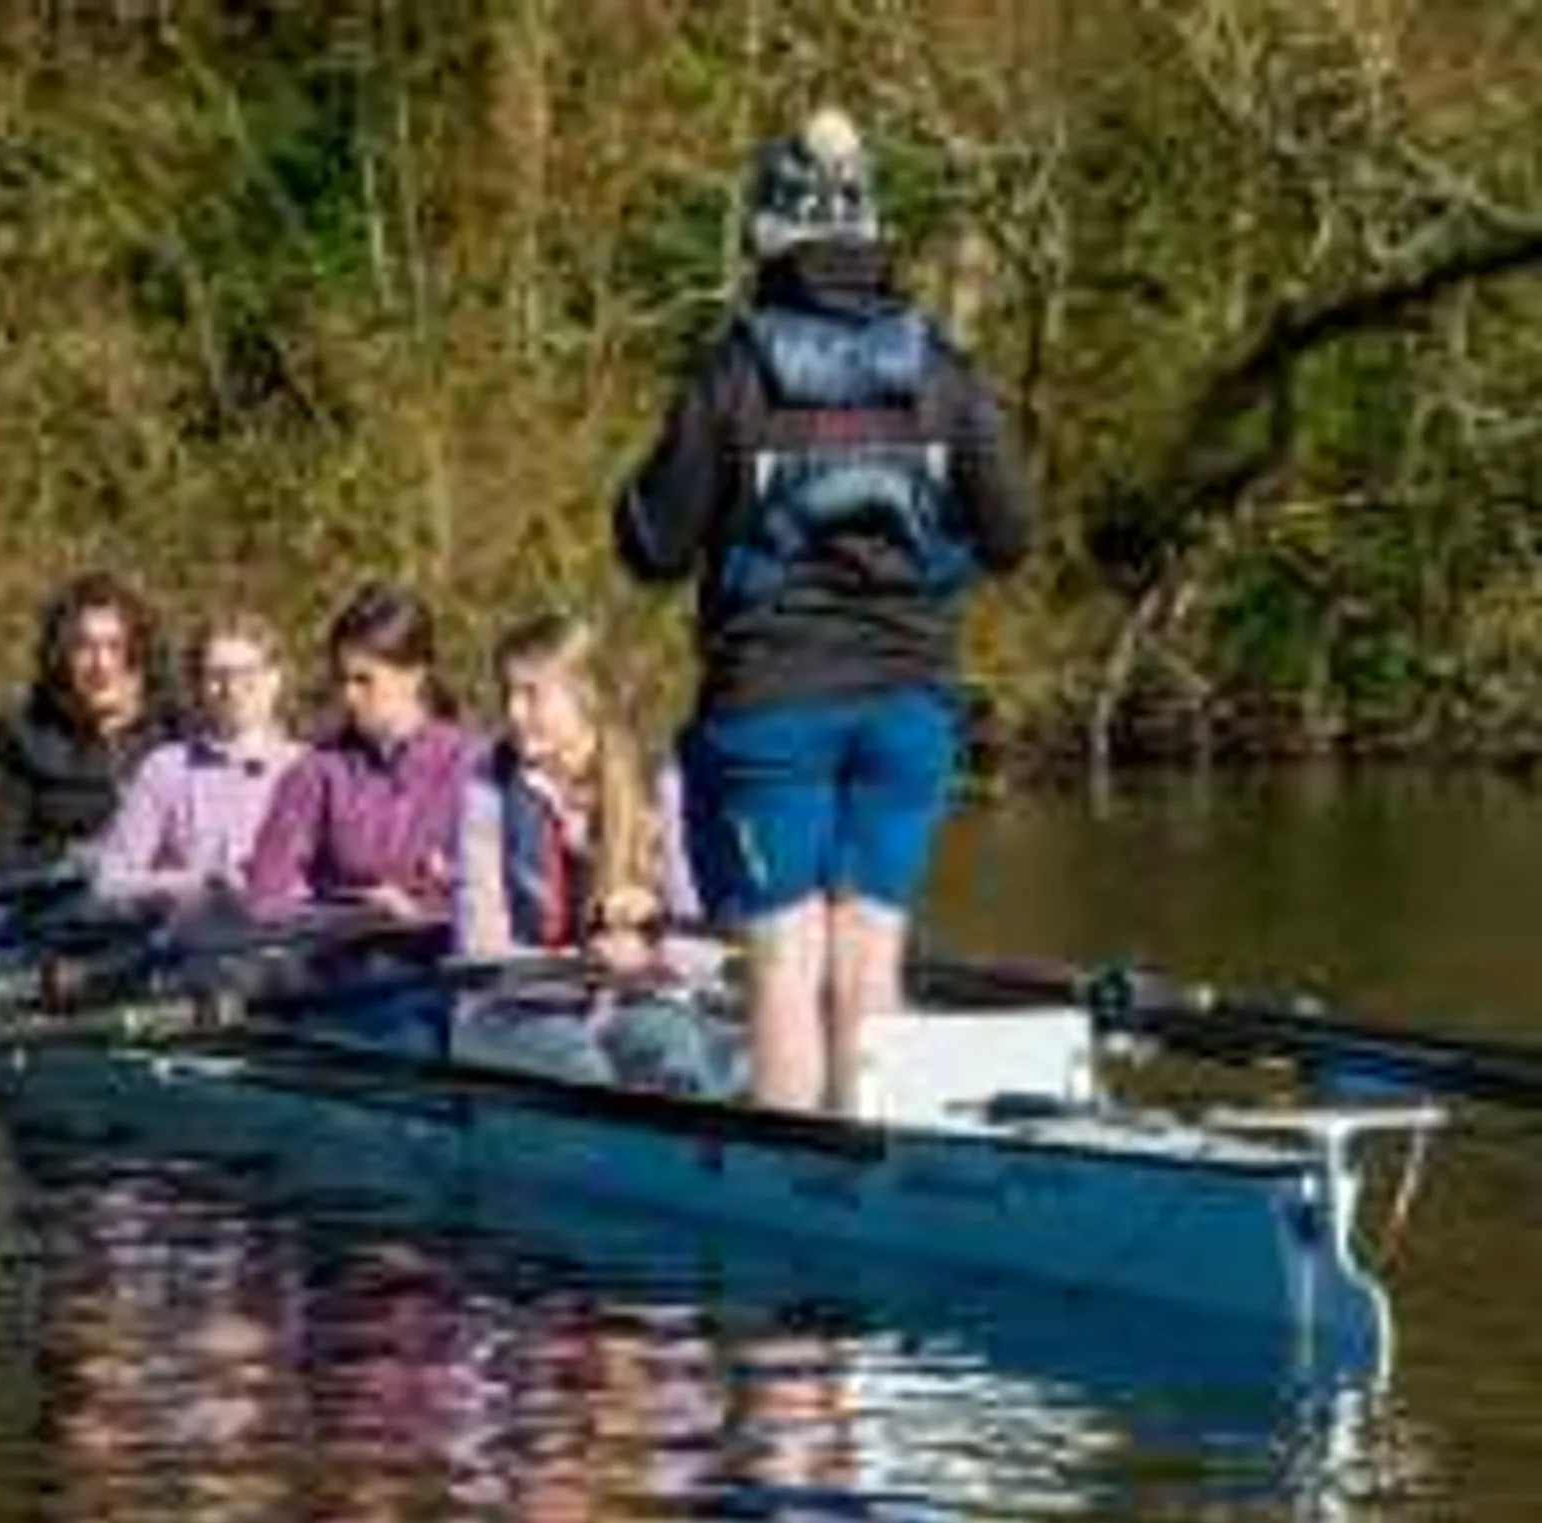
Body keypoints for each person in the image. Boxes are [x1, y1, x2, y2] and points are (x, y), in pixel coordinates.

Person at [612, 109, 1033, 1115]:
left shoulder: (731, 373)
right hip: (908, 704)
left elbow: (650, 547)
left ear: (768, 232)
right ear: (869, 230)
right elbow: (1010, 534)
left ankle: (796, 1196)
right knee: (867, 951)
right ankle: (871, 1186)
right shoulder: (943, 369)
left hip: (770, 707)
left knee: (784, 959)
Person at [452, 612, 732, 1095]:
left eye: (532, 694)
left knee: (674, 1056)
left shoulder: (659, 784)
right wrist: (587, 959)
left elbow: (701, 949)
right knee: (580, 1067)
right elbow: (481, 949)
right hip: (510, 1008)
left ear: (584, 696)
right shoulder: (488, 790)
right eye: (508, 694)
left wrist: (651, 942)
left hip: (632, 1000)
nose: (514, 712)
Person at [243, 582, 481, 926]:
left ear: (413, 676)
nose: (348, 695)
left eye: (364, 680)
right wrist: (349, 910)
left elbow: (503, 900)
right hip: (340, 968)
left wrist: (425, 914)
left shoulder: (474, 766)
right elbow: (266, 895)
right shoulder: (315, 773)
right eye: (342, 679)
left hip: (447, 966)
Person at [0, 571, 177, 881]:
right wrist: (83, 860)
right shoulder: (16, 738)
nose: (102, 665)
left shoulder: (179, 731)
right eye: (83, 647)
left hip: (167, 909)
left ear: (139, 655)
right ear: (60, 657)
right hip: (53, 909)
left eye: (116, 647)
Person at [92, 611, 302, 914]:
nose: (231, 689)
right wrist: (197, 883)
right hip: (193, 949)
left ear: (275, 679)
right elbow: (110, 881)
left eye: (247, 674)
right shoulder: (166, 769)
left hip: (294, 947)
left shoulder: (309, 769)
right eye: (216, 675)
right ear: (198, 685)